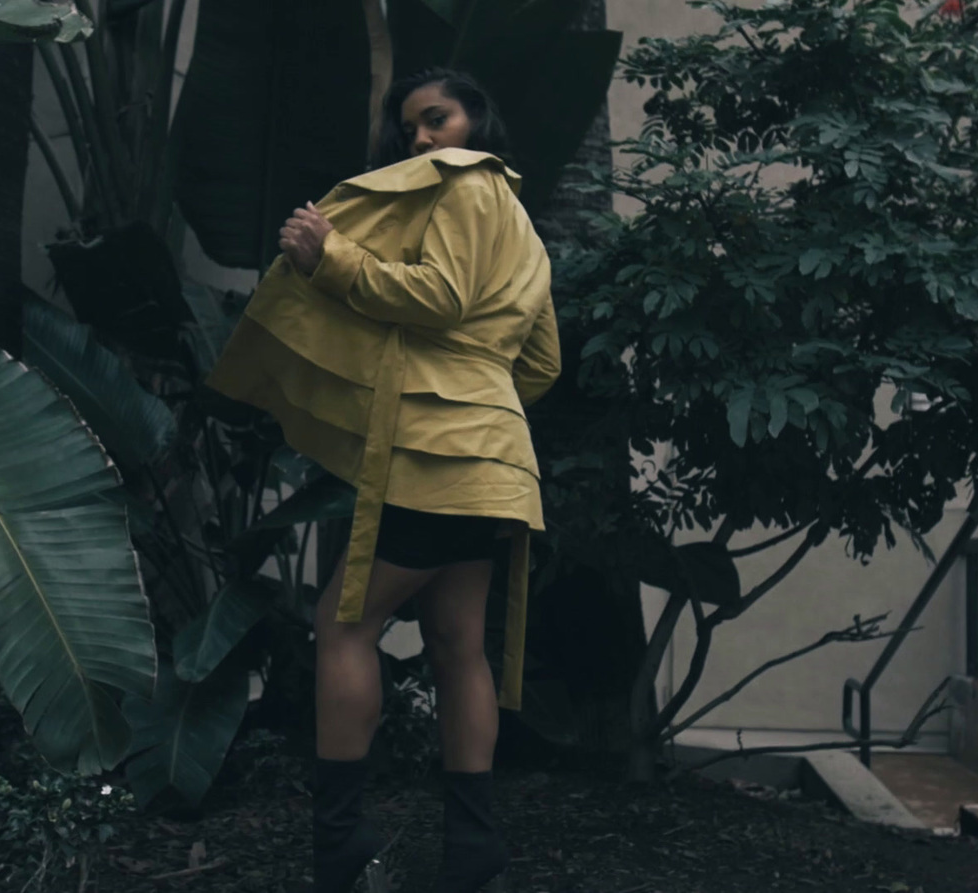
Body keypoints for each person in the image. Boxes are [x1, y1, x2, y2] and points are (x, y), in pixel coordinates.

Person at [204, 67, 560, 893]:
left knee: (343, 628)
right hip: (495, 459)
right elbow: (539, 363)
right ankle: (474, 860)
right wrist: (482, 390)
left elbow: (435, 297)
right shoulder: (527, 230)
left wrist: (331, 259)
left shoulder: (467, 187)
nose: (423, 140)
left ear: (478, 118)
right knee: (458, 645)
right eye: (411, 131)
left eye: (436, 118)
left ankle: (342, 852)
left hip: (438, 450)